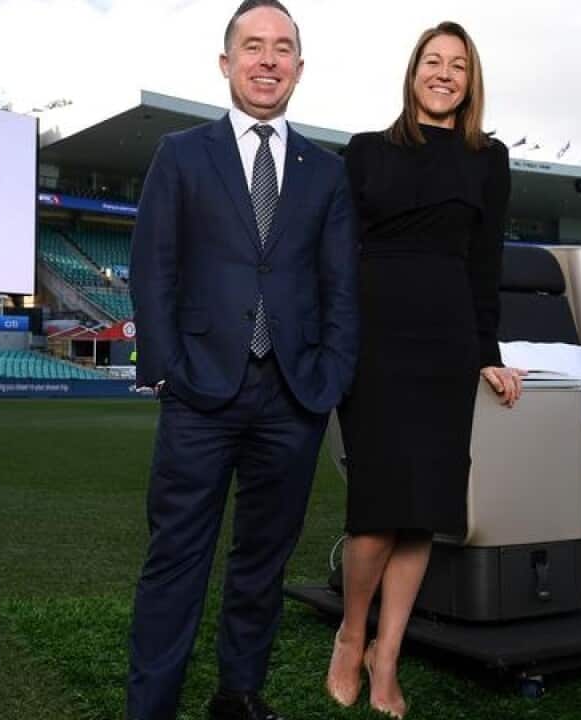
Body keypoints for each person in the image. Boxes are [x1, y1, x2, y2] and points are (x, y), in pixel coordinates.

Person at [126, 1, 360, 718]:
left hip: (292, 396)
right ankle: (152, 706)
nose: (267, 60)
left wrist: (328, 375)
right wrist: (167, 367)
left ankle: (239, 693)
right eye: (252, 47)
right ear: (226, 63)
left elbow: (341, 283)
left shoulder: (326, 171)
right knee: (177, 560)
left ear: (298, 68)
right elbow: (152, 266)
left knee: (263, 561)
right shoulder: (181, 154)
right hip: (200, 390)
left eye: (282, 48)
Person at [326, 21, 522, 718]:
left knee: (423, 515)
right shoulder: (364, 152)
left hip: (446, 343)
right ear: (413, 73)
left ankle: (389, 656)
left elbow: (485, 265)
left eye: (458, 66)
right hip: (373, 339)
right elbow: (337, 254)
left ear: (471, 82)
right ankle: (352, 634)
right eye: (433, 62)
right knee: (378, 511)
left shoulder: (488, 159)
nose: (444, 74)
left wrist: (487, 354)